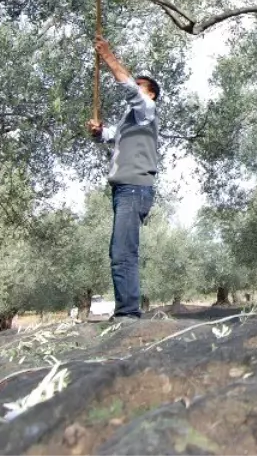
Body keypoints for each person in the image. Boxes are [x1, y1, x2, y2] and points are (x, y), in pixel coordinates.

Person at [87, 35, 160, 320]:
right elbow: (111, 137)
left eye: (141, 87)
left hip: (133, 189)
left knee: (122, 253)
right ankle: (126, 311)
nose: (135, 88)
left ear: (150, 94)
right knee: (119, 251)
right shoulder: (130, 122)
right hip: (124, 191)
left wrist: (108, 57)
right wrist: (98, 133)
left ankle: (128, 314)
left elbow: (129, 88)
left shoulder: (147, 110)